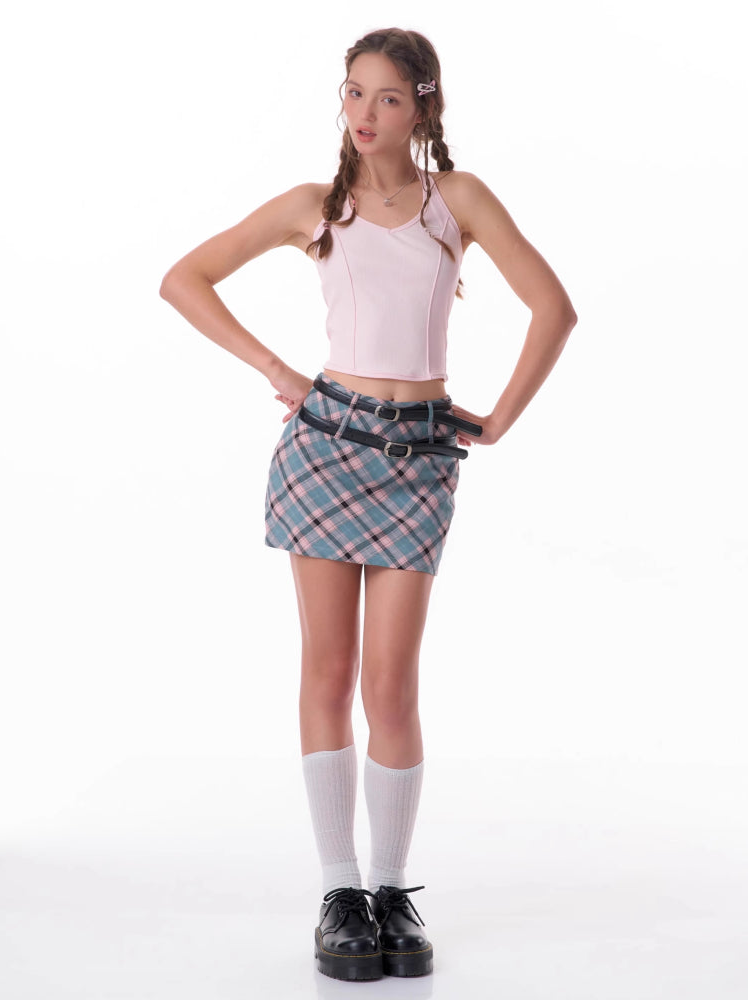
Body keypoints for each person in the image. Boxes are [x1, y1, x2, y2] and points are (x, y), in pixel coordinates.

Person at [160, 26, 576, 982]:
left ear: (423, 105)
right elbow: (184, 279)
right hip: (324, 446)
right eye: (354, 92)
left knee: (391, 685)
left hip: (419, 456)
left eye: (388, 97)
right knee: (328, 671)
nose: (365, 113)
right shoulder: (317, 206)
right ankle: (339, 893)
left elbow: (554, 308)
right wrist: (277, 370)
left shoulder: (456, 200)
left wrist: (499, 420)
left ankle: (392, 889)